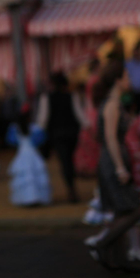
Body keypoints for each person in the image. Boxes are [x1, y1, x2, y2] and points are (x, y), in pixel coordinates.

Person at [87, 60, 140, 274]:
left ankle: (117, 260)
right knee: (135, 210)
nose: (130, 80)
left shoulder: (116, 102)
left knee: (122, 211)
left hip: (113, 159)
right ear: (118, 80)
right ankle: (101, 245)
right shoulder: (111, 104)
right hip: (113, 161)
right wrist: (120, 168)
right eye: (127, 76)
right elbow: (110, 139)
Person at [37, 72, 88, 203]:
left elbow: (42, 120)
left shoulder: (46, 98)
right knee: (69, 160)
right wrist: (88, 126)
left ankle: (71, 189)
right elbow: (80, 115)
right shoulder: (72, 96)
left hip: (57, 134)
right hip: (72, 133)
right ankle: (72, 189)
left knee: (65, 161)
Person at [6, 104, 51, 207]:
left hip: (21, 154)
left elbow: (11, 141)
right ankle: (37, 197)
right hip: (33, 154)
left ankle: (26, 198)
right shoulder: (35, 128)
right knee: (35, 176)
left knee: (25, 178)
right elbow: (41, 140)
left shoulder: (15, 128)